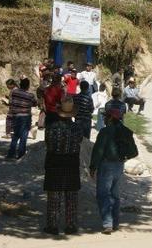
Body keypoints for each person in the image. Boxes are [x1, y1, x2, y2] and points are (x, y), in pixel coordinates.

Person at [43, 97, 83, 235]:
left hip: (54, 162)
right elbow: (79, 142)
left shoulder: (51, 128)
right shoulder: (77, 129)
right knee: (71, 196)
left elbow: (48, 144)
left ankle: (52, 226)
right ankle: (70, 225)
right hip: (71, 163)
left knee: (54, 196)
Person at [89, 103, 128, 235]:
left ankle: (107, 224)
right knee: (115, 195)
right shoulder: (123, 130)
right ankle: (115, 222)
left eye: (106, 117)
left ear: (111, 118)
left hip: (107, 166)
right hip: (119, 165)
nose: (104, 119)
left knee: (103, 194)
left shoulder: (105, 132)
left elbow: (98, 151)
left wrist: (93, 166)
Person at [6, 78, 37, 159]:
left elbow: (11, 102)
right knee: (24, 136)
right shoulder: (30, 95)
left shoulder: (14, 92)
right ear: (28, 86)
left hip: (16, 116)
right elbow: (35, 103)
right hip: (25, 117)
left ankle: (11, 154)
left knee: (15, 135)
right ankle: (21, 154)